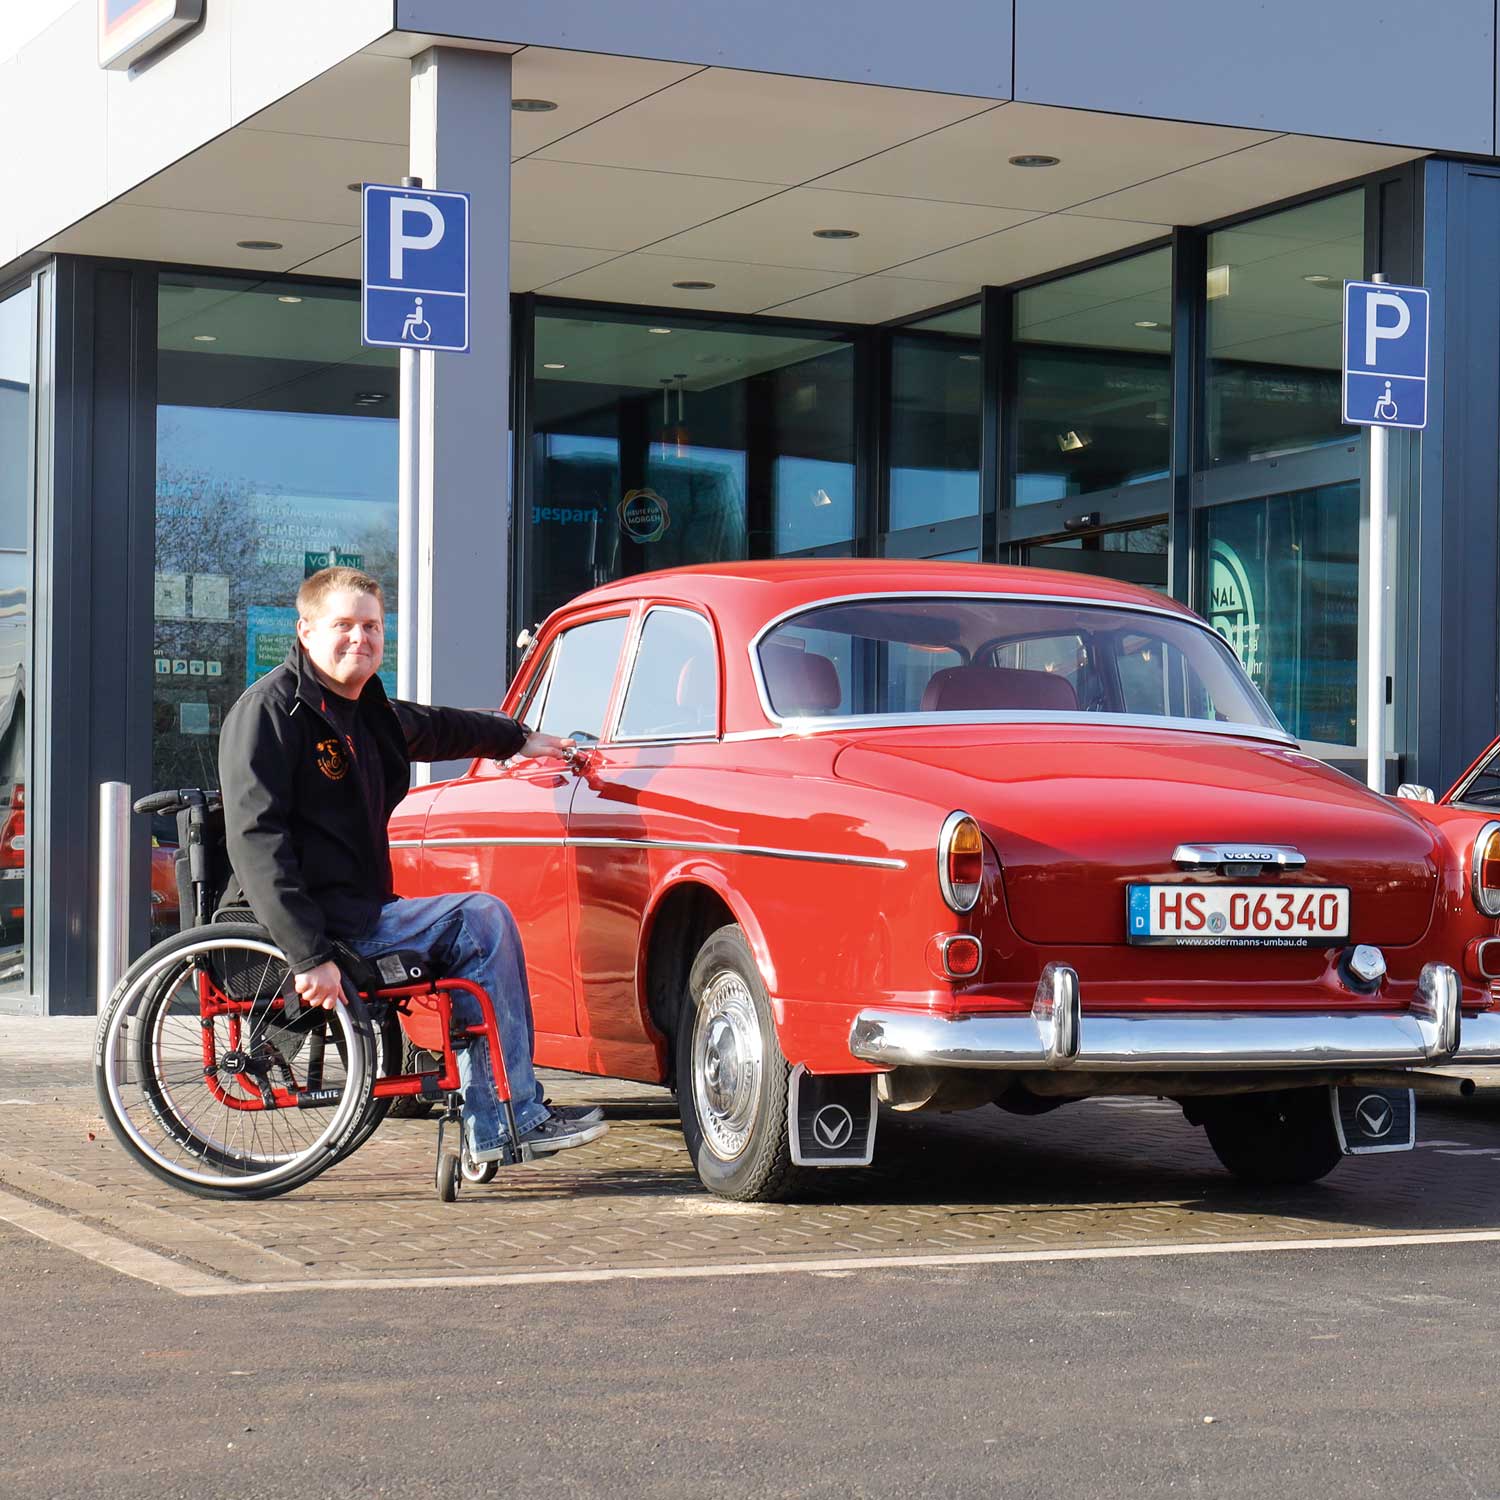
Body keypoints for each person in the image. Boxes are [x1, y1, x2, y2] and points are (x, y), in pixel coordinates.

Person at [218, 565, 606, 1164]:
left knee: (476, 932)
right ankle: (508, 1117)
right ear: (305, 631)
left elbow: (439, 727)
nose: (360, 638)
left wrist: (518, 738)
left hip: (356, 913)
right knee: (481, 919)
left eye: (372, 626)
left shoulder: (363, 709)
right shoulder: (270, 712)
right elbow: (256, 841)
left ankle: (494, 1117)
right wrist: (308, 954)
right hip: (307, 929)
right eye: (343, 625)